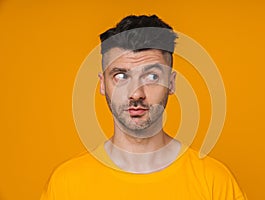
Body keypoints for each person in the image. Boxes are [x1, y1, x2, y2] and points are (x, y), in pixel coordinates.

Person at [41, 15, 247, 200]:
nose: (136, 94)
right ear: (103, 84)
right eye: (121, 76)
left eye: (152, 76)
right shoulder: (66, 184)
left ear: (171, 83)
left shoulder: (214, 182)